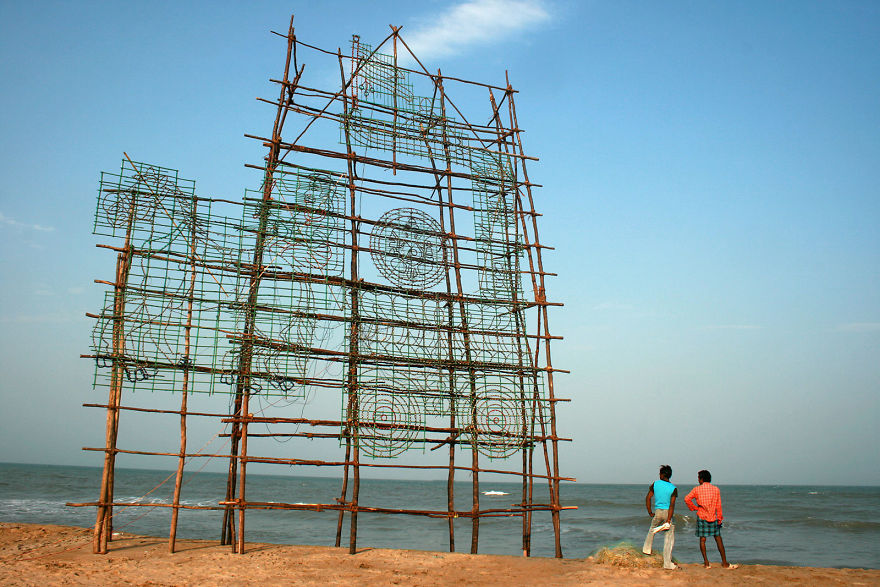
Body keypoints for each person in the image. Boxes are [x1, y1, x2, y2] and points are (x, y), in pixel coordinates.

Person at [684, 469, 738, 569]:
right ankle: (725, 563)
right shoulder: (716, 489)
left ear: (701, 479)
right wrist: (720, 517)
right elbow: (719, 505)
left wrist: (694, 507)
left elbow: (687, 499)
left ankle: (706, 563)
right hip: (713, 517)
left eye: (698, 478)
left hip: (702, 516)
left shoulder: (697, 489)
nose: (698, 480)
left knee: (702, 540)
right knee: (718, 539)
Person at [642, 464, 679, 570]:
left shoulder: (656, 484)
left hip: (658, 512)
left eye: (660, 473)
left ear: (662, 475)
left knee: (651, 530)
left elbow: (648, 498)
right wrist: (668, 520)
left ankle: (647, 549)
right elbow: (672, 505)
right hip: (668, 513)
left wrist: (650, 511)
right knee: (669, 538)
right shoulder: (673, 488)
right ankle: (667, 563)